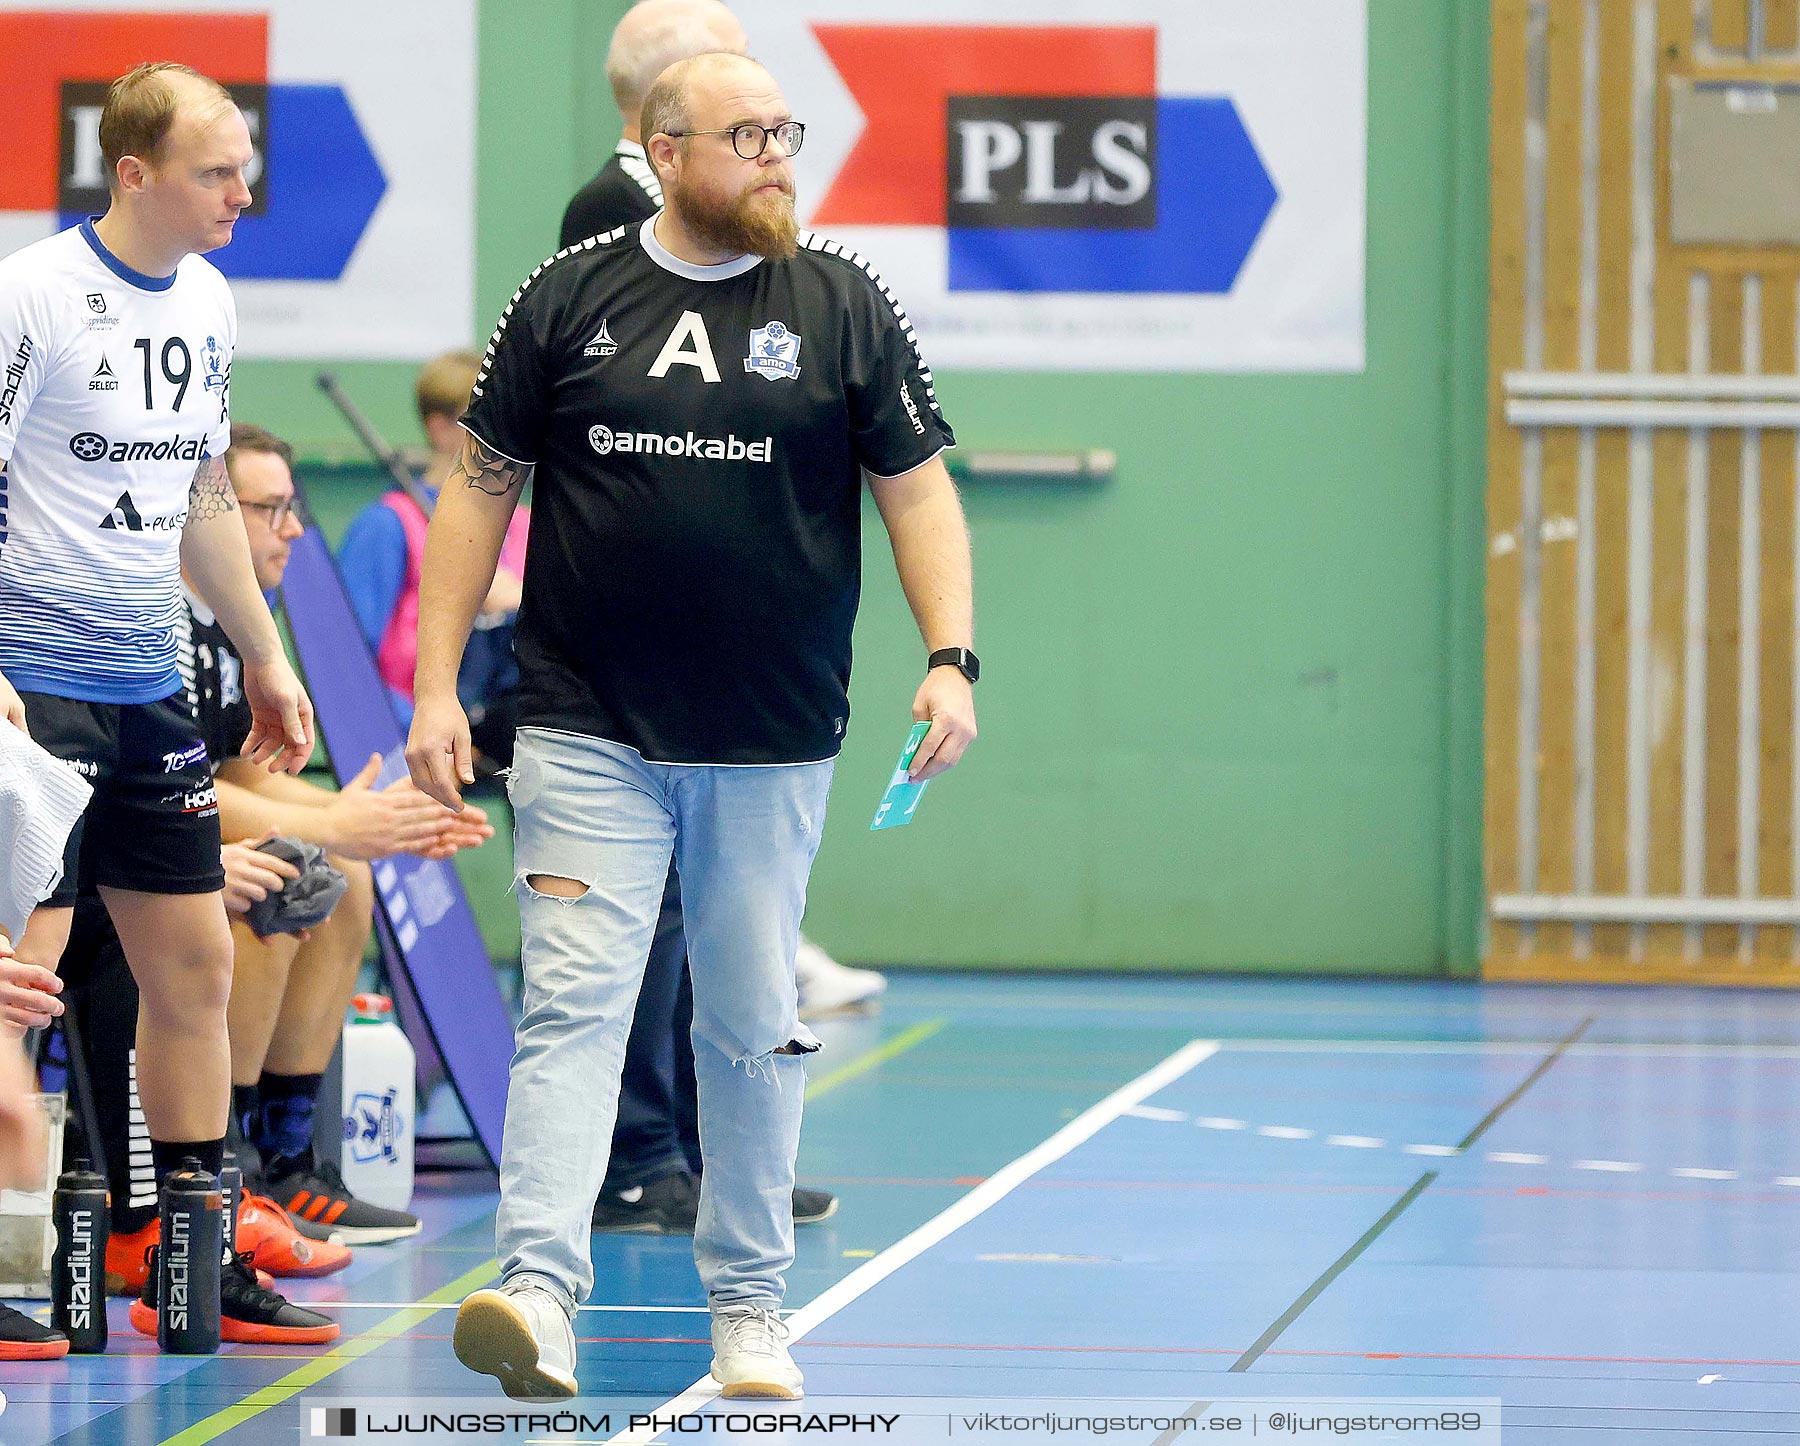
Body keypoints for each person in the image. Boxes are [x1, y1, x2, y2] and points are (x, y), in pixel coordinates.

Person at [409, 51, 977, 1402]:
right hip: (584, 724)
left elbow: (919, 495)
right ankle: (539, 1289)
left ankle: (749, 1308)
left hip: (771, 735)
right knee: (573, 1006)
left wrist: (951, 657)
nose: (779, 154)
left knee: (749, 1019)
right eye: (747, 134)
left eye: (787, 130)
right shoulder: (567, 296)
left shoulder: (844, 304)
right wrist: (437, 684)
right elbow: (479, 494)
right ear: (665, 150)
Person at [0, 61, 331, 1348]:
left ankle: (190, 1258)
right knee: (24, 986)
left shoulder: (207, 298)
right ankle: (18, 1260)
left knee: (190, 966)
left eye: (244, 168)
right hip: (39, 689)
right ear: (132, 172)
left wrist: (263, 650)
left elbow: (201, 499)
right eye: (214, 172)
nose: (240, 193)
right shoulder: (33, 295)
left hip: (152, 689)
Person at [562, 0, 857, 1242]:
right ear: (670, 114)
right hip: (630, 680)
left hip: (739, 675)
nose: (768, 131)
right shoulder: (607, 220)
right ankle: (639, 1159)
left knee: (722, 937)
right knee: (627, 938)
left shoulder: (782, 252)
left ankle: (714, 1156)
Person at [337, 352, 531, 764]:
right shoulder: (388, 525)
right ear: (441, 428)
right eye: (486, 419)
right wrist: (429, 726)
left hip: (511, 726)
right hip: (414, 736)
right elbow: (346, 667)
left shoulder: (527, 524)